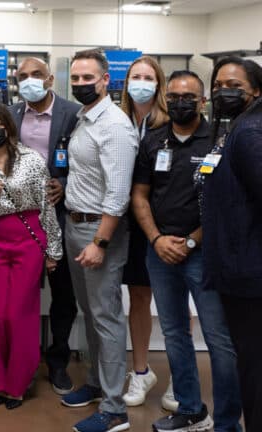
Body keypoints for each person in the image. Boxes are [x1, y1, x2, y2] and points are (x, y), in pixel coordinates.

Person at [132, 70, 242, 432]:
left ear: (202, 101)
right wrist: (156, 239)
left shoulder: (220, 141)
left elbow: (226, 204)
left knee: (217, 339)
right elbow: (140, 195)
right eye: (175, 96)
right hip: (159, 252)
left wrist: (192, 240)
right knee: (175, 332)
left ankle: (227, 422)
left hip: (205, 254)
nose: (181, 102)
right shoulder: (154, 141)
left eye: (189, 97)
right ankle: (191, 410)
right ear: (166, 99)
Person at [59, 49, 138, 432]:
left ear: (106, 80)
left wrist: (100, 242)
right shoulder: (84, 118)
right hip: (77, 225)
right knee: (89, 311)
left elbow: (118, 194)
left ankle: (114, 409)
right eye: (75, 79)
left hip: (98, 231)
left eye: (88, 78)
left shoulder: (115, 125)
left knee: (106, 317)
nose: (81, 85)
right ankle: (95, 384)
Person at [0, 103, 62, 409]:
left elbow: (47, 206)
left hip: (28, 239)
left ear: (8, 126)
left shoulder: (31, 160)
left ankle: (19, 383)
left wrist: (53, 250)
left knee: (19, 313)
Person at [8, 57, 81, 395]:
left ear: (50, 79)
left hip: (59, 215)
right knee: (20, 293)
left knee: (63, 293)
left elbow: (86, 161)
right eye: (22, 76)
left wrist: (64, 182)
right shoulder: (11, 115)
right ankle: (21, 358)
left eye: (36, 75)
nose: (29, 81)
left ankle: (57, 360)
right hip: (19, 219)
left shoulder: (73, 114)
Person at [200, 57, 262, 432]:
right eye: (219, 84)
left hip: (250, 273)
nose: (224, 91)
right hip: (239, 268)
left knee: (255, 369)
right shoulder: (234, 128)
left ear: (255, 91)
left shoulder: (250, 133)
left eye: (235, 86)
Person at [118, 56, 171, 409]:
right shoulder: (118, 120)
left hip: (163, 224)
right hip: (124, 224)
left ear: (159, 83)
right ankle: (139, 372)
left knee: (170, 301)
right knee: (138, 298)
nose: (141, 82)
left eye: (147, 77)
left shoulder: (170, 123)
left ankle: (180, 378)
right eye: (135, 76)